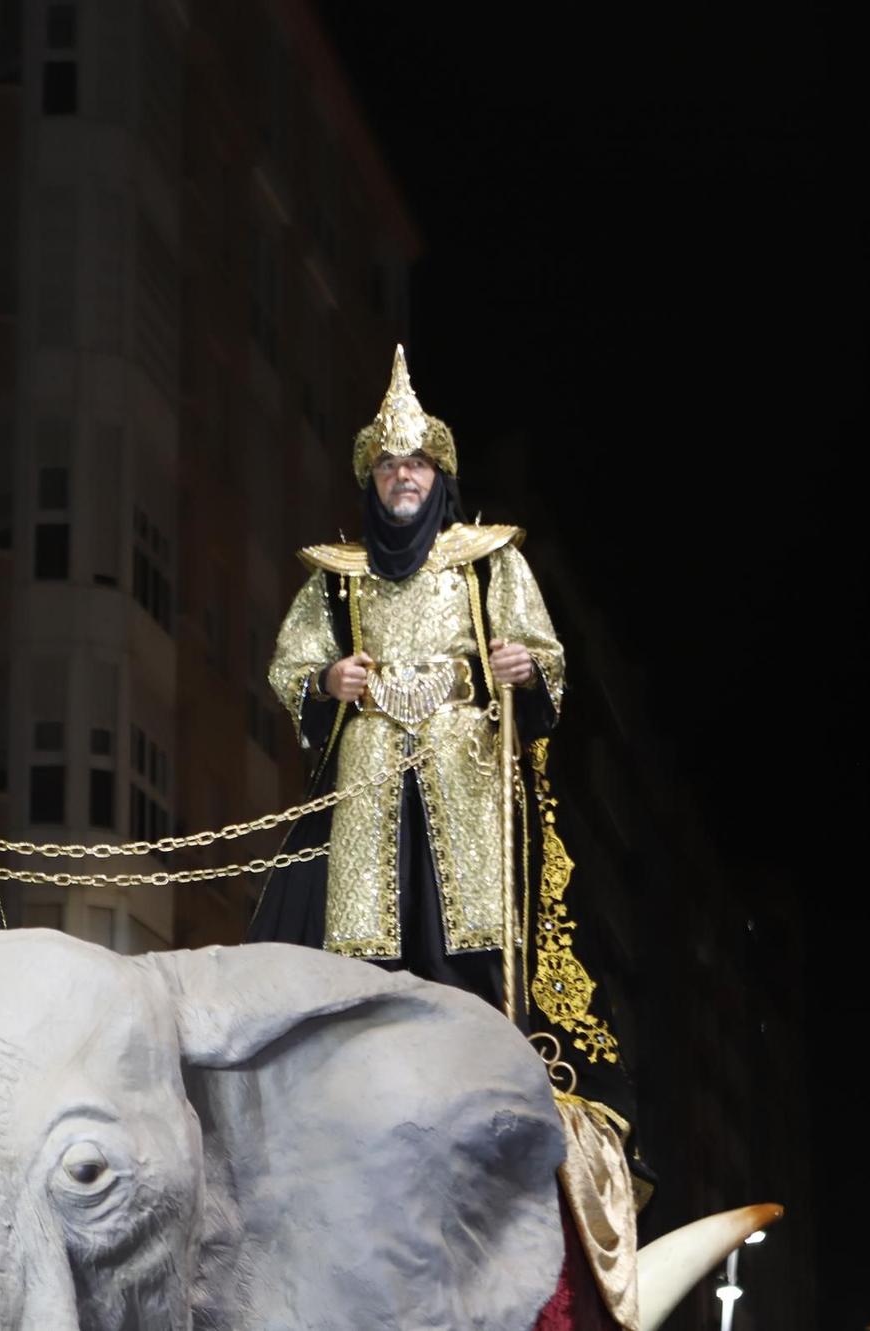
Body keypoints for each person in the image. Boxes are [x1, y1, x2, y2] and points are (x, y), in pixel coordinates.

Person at [250, 347, 641, 1328]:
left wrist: (517, 663)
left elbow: (542, 655)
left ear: (440, 477)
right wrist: (327, 683)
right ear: (369, 481)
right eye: (386, 468)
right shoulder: (334, 579)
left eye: (414, 466)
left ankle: (475, 1047)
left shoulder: (487, 560)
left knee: (461, 917)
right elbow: (291, 665)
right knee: (362, 923)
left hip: (462, 765)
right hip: (373, 763)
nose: (400, 479)